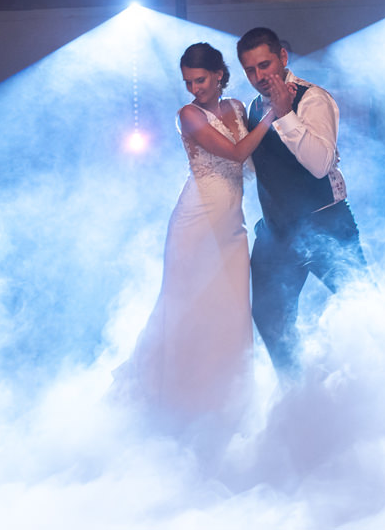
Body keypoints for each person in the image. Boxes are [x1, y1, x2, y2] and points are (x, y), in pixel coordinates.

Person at [116, 42, 273, 425]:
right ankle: (176, 399)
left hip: (230, 225)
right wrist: (273, 117)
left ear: (219, 74)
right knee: (187, 310)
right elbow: (236, 153)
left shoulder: (237, 107)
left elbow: (256, 158)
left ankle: (228, 399)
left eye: (200, 79)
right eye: (188, 81)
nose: (194, 89)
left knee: (232, 310)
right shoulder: (188, 114)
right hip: (196, 223)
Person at [237, 27, 368, 376]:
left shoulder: (312, 99)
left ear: (283, 58)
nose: (259, 77)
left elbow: (320, 164)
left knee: (365, 309)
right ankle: (296, 393)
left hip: (324, 224)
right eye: (250, 70)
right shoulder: (251, 107)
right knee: (268, 317)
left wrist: (285, 115)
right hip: (276, 232)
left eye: (265, 65)